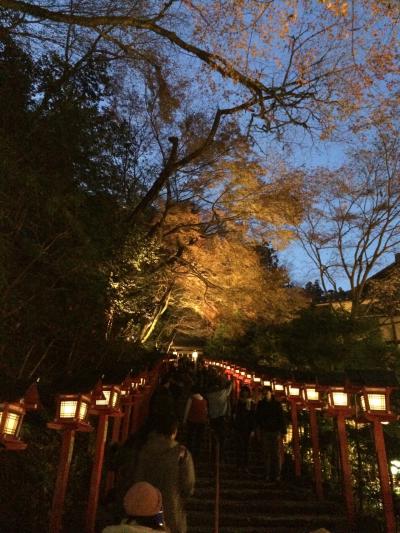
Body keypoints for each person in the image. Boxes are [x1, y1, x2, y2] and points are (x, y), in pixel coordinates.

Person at [134, 414, 195, 533]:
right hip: (170, 508)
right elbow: (188, 486)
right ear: (174, 431)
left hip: (143, 508)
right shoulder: (181, 453)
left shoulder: (143, 450)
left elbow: (137, 477)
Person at [255, 386, 286, 482]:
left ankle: (277, 474)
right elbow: (258, 418)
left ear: (271, 393)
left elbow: (281, 417)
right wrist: (258, 430)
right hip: (265, 430)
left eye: (267, 393)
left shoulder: (276, 404)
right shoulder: (261, 404)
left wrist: (283, 431)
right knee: (266, 453)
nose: (265, 395)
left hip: (275, 430)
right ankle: (267, 474)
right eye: (264, 393)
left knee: (275, 453)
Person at [206, 375, 232, 461]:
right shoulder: (223, 392)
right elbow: (230, 386)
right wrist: (230, 380)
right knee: (222, 437)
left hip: (212, 417)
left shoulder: (209, 394)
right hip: (221, 418)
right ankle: (221, 455)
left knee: (214, 437)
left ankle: (214, 455)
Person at [233, 385, 255, 472]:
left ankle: (245, 465)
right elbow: (235, 415)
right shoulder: (238, 403)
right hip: (239, 427)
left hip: (247, 428)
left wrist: (252, 429)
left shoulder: (250, 403)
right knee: (239, 447)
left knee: (246, 447)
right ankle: (239, 465)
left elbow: (253, 417)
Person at [183, 384, 208, 460]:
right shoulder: (204, 400)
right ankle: (197, 453)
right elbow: (206, 411)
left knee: (190, 436)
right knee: (198, 438)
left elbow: (187, 410)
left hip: (192, 420)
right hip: (201, 421)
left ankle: (189, 452)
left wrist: (184, 420)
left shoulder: (191, 399)